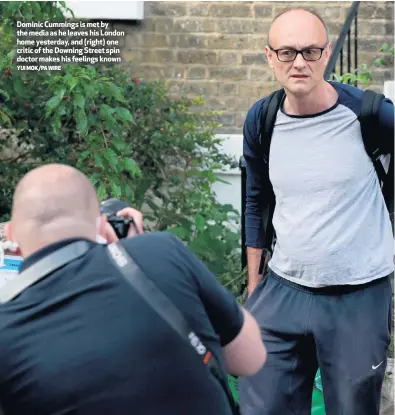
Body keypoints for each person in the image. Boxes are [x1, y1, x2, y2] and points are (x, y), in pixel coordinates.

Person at [0, 163, 266, 415]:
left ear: (12, 237)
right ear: (102, 226)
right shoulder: (161, 252)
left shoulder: (7, 328)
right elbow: (251, 358)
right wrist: (133, 255)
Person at [238, 7, 394, 415]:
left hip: (357, 297)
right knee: (262, 405)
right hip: (283, 290)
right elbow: (255, 200)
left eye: (310, 51)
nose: (300, 63)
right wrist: (255, 288)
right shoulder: (262, 119)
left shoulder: (368, 114)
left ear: (326, 54)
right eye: (287, 52)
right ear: (270, 57)